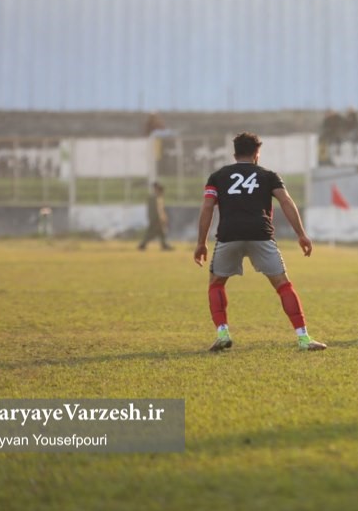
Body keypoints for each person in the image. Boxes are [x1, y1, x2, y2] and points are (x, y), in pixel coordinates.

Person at [193, 132, 326, 352]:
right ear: (257, 154)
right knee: (283, 285)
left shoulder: (217, 176)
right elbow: (286, 201)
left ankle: (223, 333)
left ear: (234, 154)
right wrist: (301, 234)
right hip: (261, 233)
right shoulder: (268, 175)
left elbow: (208, 207)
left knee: (216, 283)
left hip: (229, 234)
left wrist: (201, 242)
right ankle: (303, 338)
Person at [138, 182, 173, 251]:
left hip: (157, 219)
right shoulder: (154, 198)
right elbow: (155, 210)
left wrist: (164, 217)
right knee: (152, 233)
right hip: (155, 219)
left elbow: (161, 210)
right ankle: (143, 244)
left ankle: (164, 245)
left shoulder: (158, 198)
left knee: (161, 232)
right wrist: (159, 218)